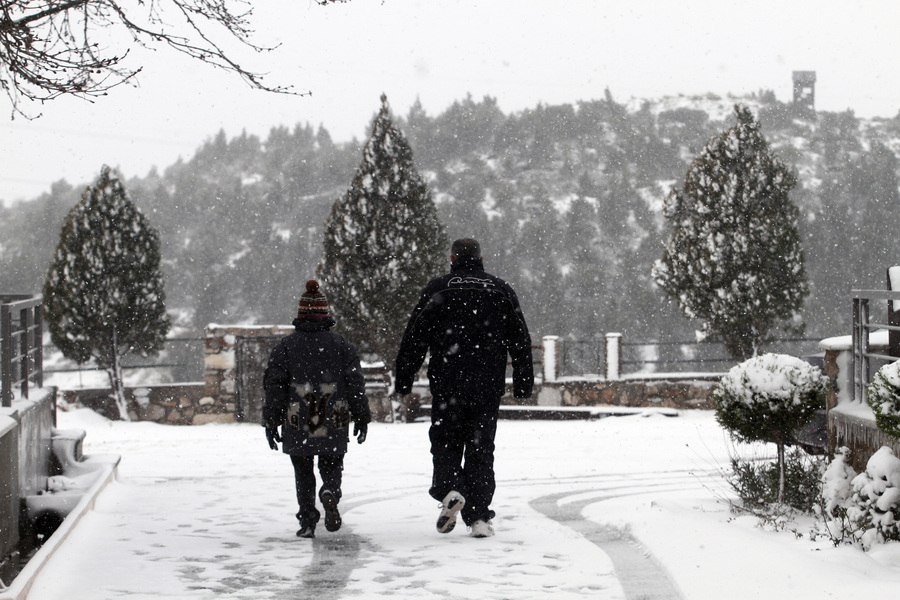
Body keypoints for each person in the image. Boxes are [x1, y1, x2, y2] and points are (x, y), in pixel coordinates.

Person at [395, 238, 533, 538]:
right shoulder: (500, 290)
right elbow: (520, 339)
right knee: (481, 449)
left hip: (447, 384)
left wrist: (403, 379)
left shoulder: (438, 289)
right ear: (480, 258)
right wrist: (523, 382)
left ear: (452, 259)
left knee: (445, 443)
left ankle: (450, 489)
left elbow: (414, 338)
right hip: (487, 386)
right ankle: (480, 517)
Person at [263, 279, 371, 539]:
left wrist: (271, 420)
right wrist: (361, 416)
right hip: (333, 414)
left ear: (300, 314)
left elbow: (274, 386)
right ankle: (330, 491)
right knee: (332, 462)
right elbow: (355, 383)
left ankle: (308, 520)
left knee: (302, 470)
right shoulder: (341, 345)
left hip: (296, 417)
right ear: (325, 314)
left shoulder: (285, 347)